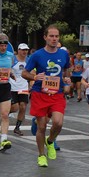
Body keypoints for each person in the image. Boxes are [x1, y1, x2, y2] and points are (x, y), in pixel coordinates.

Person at [21, 25, 71, 168]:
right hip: (40, 94)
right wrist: (35, 76)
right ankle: (41, 155)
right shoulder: (37, 55)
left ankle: (50, 141)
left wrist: (67, 79)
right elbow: (25, 73)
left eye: (56, 36)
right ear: (45, 37)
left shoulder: (63, 54)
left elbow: (67, 69)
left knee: (58, 122)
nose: (54, 39)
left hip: (57, 94)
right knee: (41, 127)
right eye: (51, 36)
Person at [9, 43, 31, 136]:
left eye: (26, 50)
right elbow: (7, 68)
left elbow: (32, 71)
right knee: (15, 108)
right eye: (22, 50)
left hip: (23, 87)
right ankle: (4, 111)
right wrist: (10, 73)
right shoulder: (13, 59)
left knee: (23, 107)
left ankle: (17, 127)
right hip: (12, 86)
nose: (24, 52)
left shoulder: (29, 60)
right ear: (18, 50)